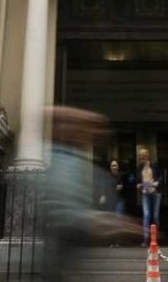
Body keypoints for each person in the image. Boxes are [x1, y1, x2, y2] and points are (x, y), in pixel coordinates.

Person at [39, 108, 138, 282]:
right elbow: (64, 208)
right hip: (63, 237)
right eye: (90, 128)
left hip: (71, 241)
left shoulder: (78, 160)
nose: (96, 134)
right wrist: (108, 222)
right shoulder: (63, 160)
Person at [136, 148, 163, 245]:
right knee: (146, 215)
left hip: (155, 192)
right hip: (145, 193)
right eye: (140, 156)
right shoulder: (139, 168)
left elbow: (160, 177)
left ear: (147, 155)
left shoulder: (154, 165)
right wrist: (139, 185)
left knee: (155, 216)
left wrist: (157, 183)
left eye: (144, 155)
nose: (142, 157)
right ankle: (146, 239)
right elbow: (138, 181)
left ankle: (155, 239)